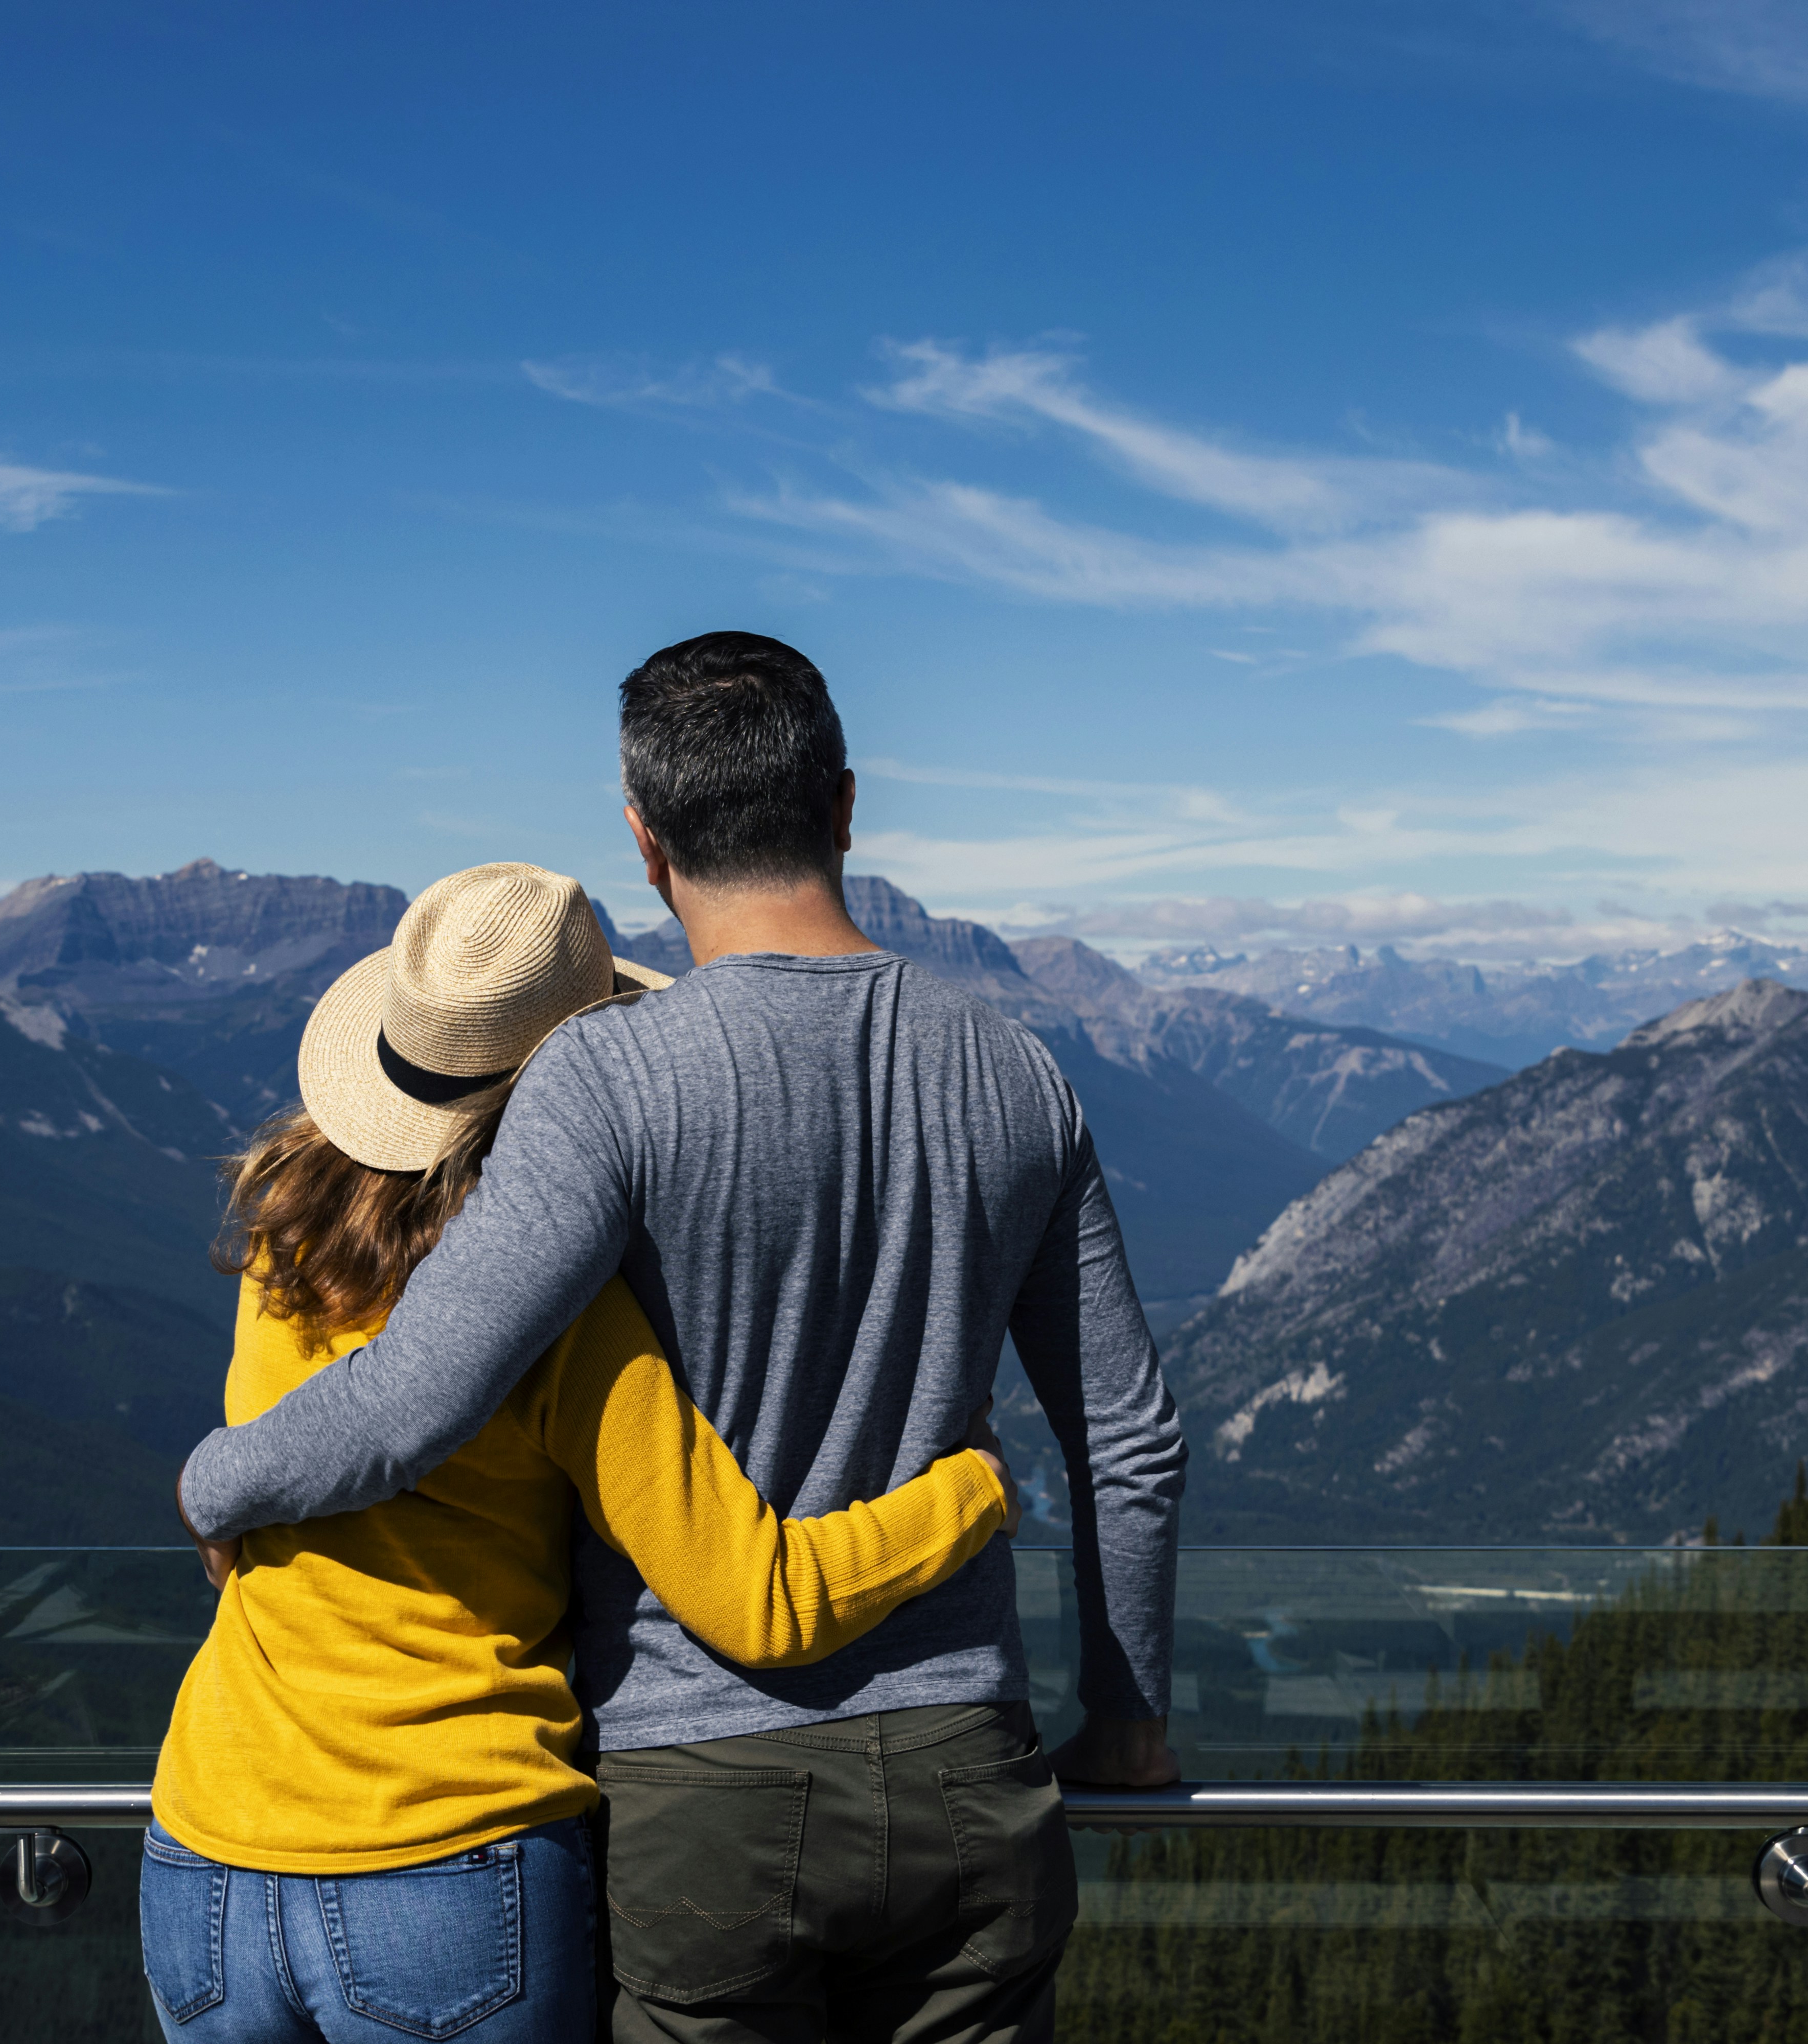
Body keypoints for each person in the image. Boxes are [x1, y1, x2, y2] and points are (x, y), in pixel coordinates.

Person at [180, 633, 1187, 2044]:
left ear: (648, 845)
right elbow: (1130, 1438)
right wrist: (1129, 1721)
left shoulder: (603, 1078)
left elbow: (415, 1400)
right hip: (971, 1755)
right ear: (844, 806)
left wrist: (216, 1482)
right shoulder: (1016, 1070)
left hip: (704, 1778)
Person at [145, 859, 1023, 2044]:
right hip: (444, 1852)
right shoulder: (563, 1319)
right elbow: (764, 1600)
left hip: (205, 1856)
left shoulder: (285, 1248)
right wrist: (968, 1489)